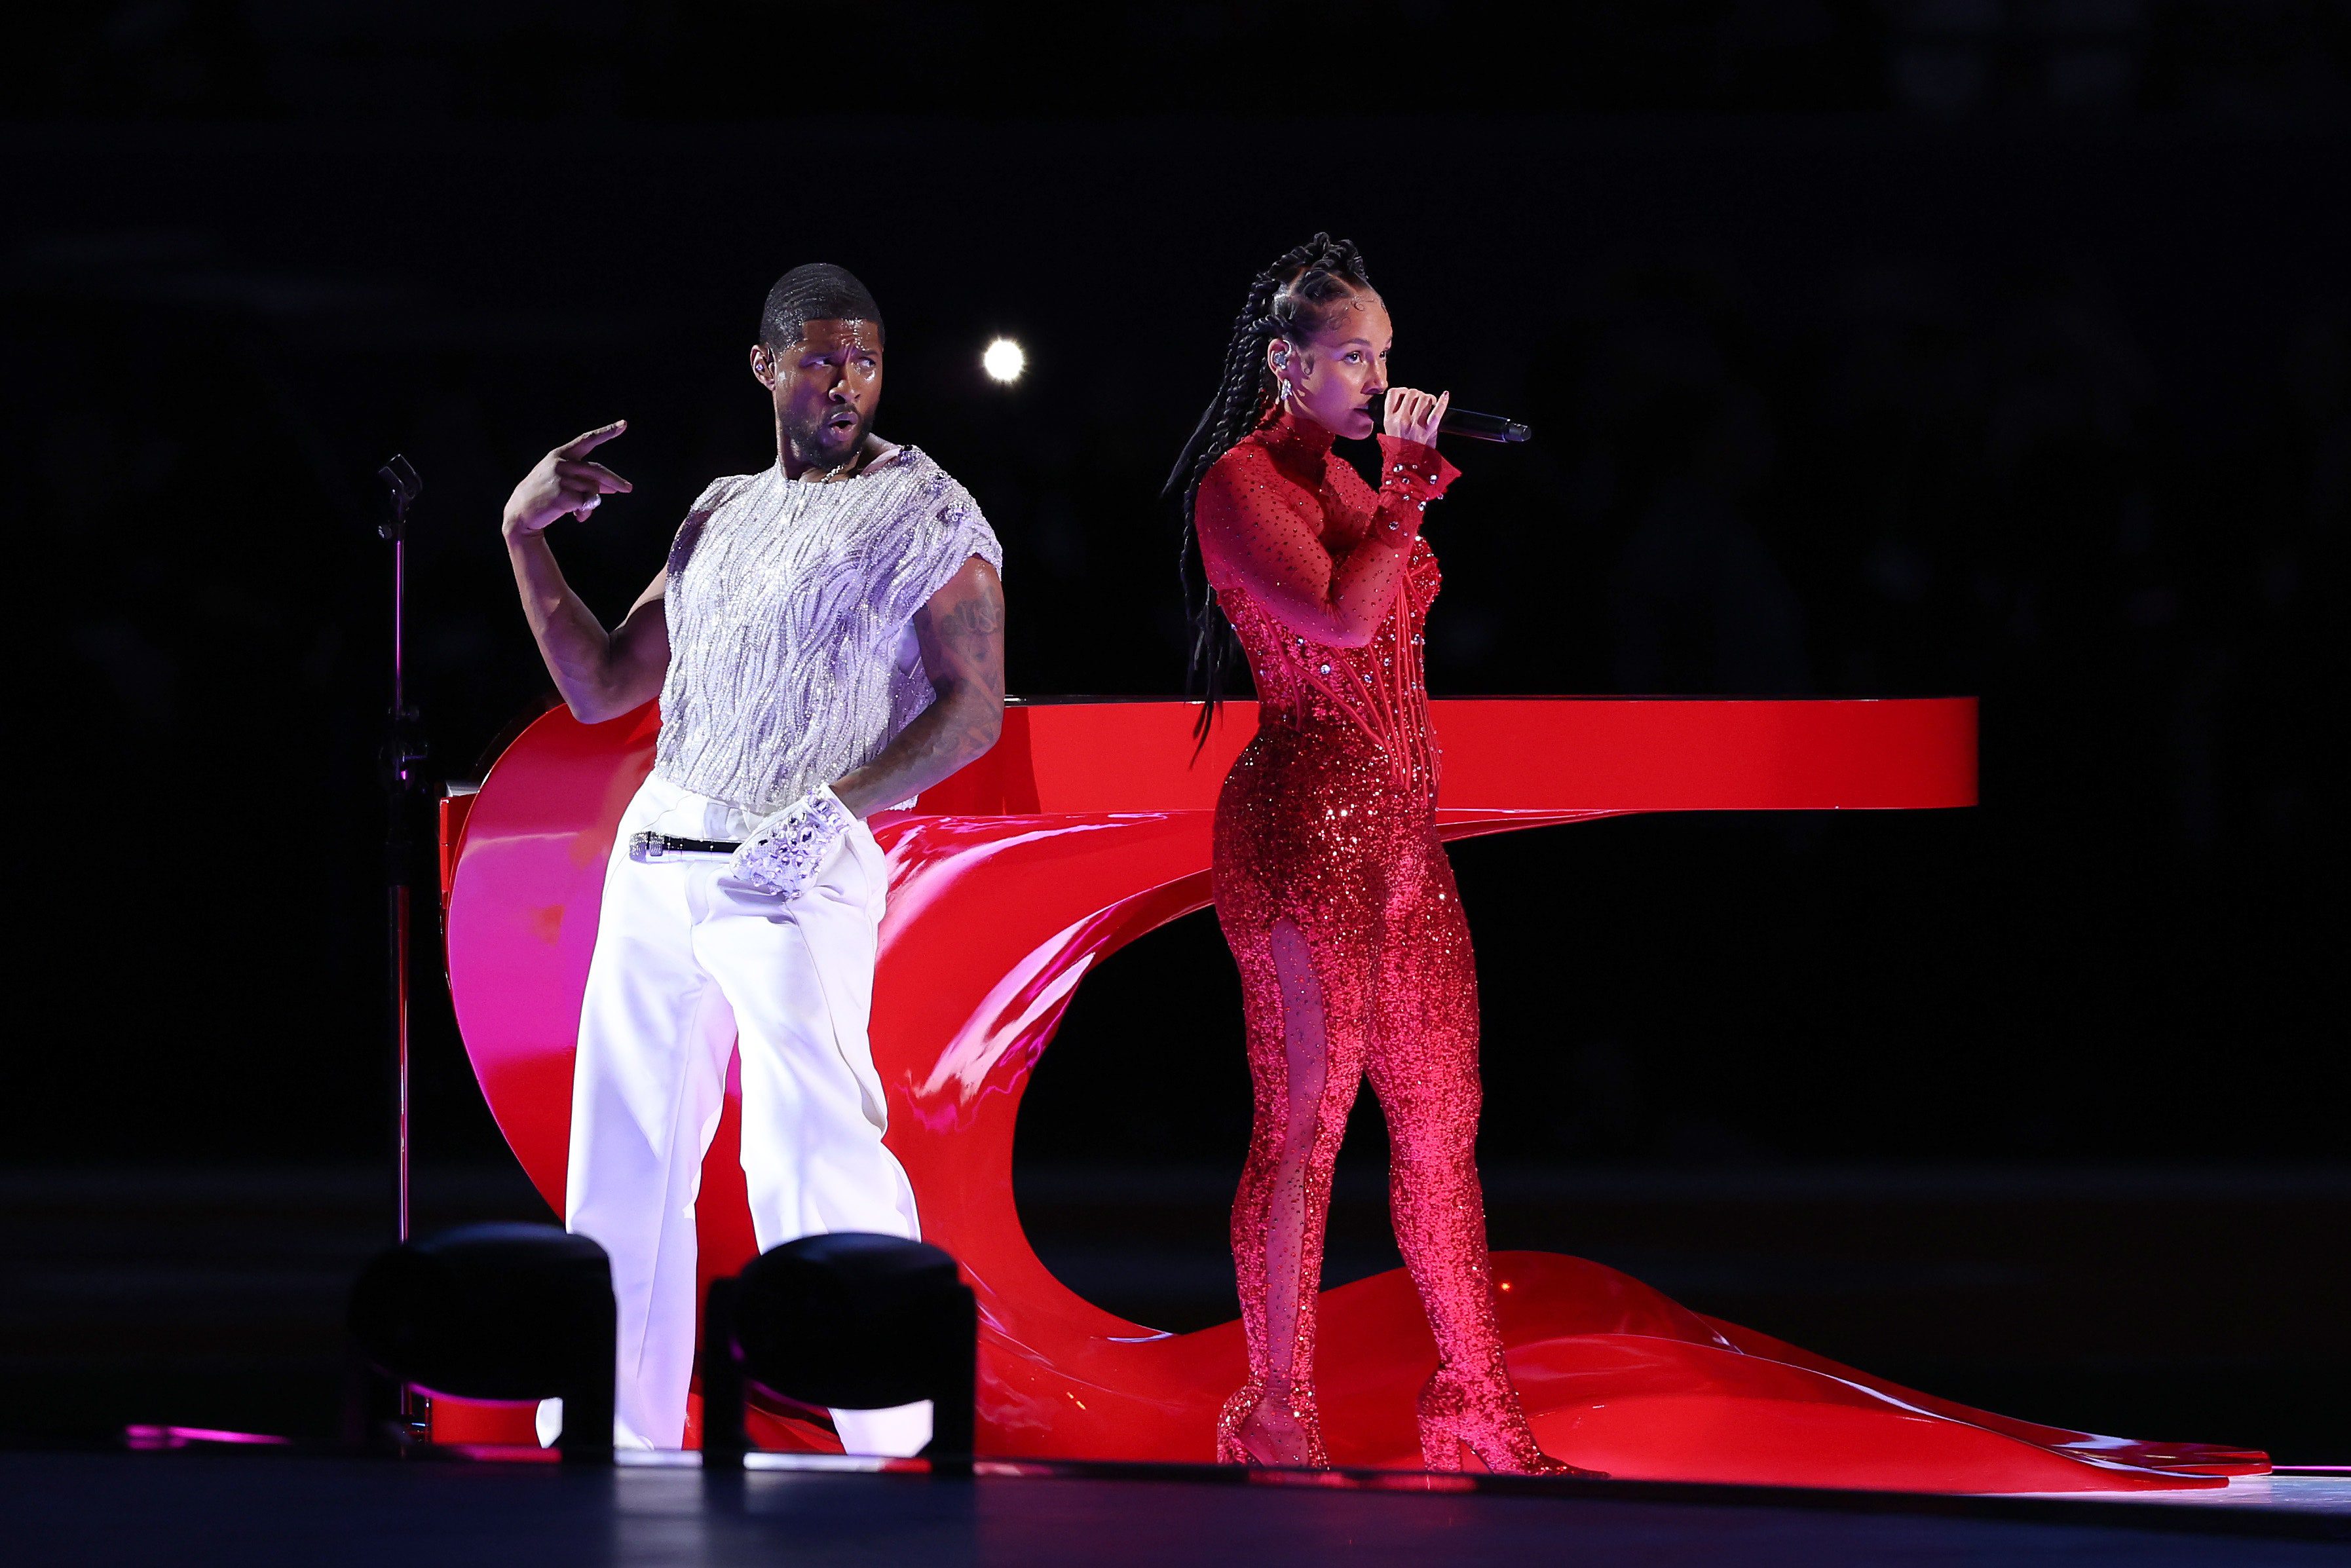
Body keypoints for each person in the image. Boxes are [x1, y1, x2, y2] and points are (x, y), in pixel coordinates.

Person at [498, 263, 1006, 1453]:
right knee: (619, 1158)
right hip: (659, 850)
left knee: (809, 1146)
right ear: (765, 366)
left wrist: (829, 814)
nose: (846, 381)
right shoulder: (718, 510)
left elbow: (971, 708)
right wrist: (523, 537)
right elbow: (604, 685)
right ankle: (609, 1423)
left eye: (866, 359)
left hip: (794, 864)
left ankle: (896, 1423)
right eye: (822, 358)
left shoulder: (928, 511)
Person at [1167, 235, 1591, 1476]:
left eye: (1387, 357)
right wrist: (1406, 480)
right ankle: (1278, 1412)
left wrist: (1393, 485)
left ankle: (1474, 1403)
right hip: (1302, 828)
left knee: (1441, 1124)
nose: (1379, 379)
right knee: (1304, 1123)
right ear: (1289, 364)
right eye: (1355, 357)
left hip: (1403, 839)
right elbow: (1344, 621)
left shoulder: (1349, 479)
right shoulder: (1240, 485)